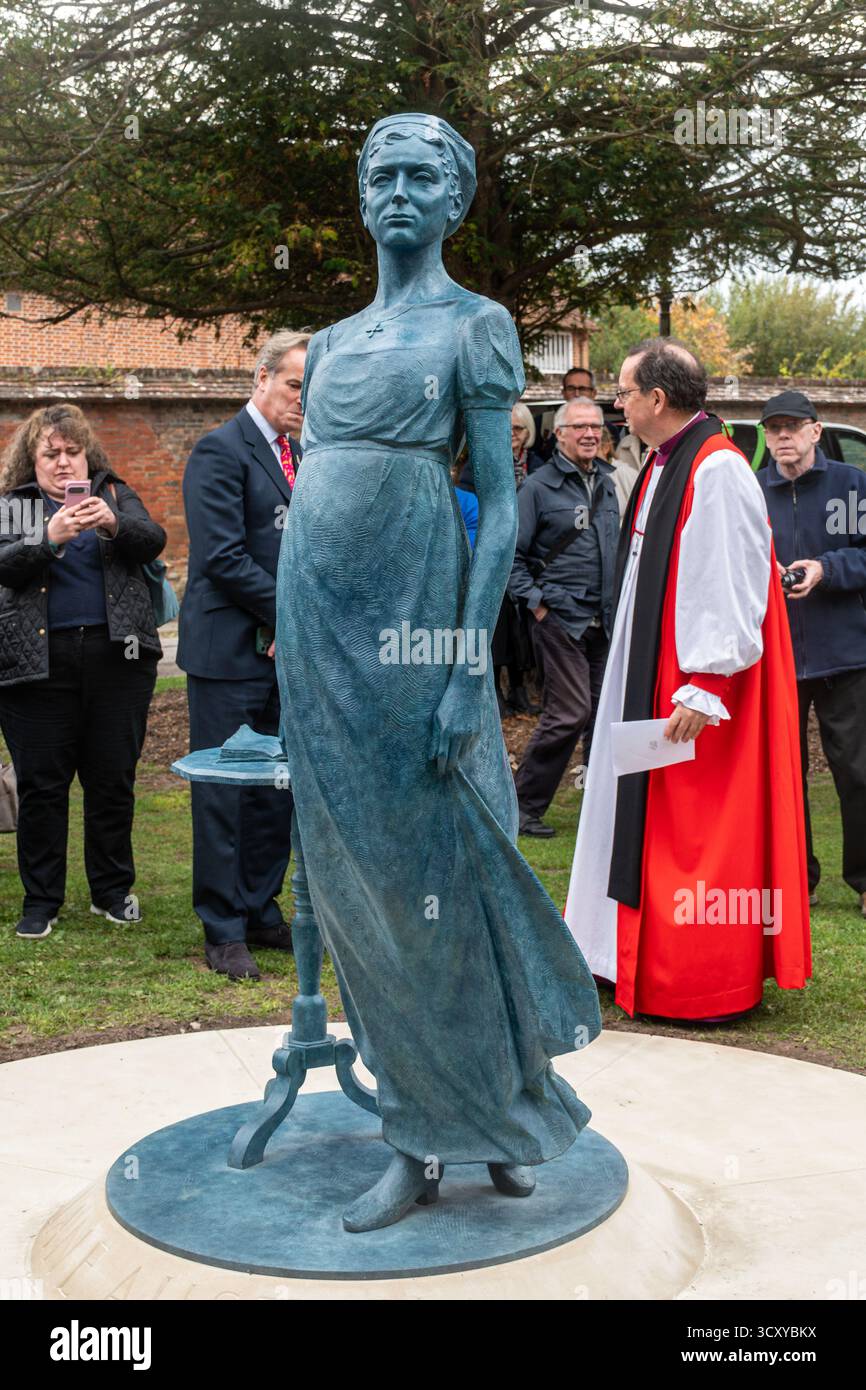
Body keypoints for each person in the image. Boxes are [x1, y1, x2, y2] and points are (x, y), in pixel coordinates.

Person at [277, 112, 600, 1234]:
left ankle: (482, 1110)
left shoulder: (477, 325)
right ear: (362, 197)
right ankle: (430, 1119)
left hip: (422, 624)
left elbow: (503, 509)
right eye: (383, 175)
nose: (400, 192)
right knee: (361, 881)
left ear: (453, 199)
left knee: (447, 867)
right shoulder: (326, 342)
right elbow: (317, 487)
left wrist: (467, 666)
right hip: (320, 631)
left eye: (423, 175)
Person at [564, 340, 811, 1021]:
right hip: (644, 662)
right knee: (627, 810)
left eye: (624, 392)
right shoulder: (667, 462)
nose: (617, 403)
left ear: (657, 400)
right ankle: (611, 953)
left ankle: (694, 977)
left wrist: (705, 683)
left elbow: (730, 579)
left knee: (690, 824)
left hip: (691, 678)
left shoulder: (718, 469)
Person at [0, 404, 165, 939]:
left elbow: (153, 539)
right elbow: (4, 564)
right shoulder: (19, 505)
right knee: (43, 786)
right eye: (52, 454)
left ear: (87, 454)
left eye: (73, 452)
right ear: (34, 459)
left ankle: (112, 892)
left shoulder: (111, 493)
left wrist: (114, 524)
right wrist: (49, 538)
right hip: (36, 663)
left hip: (118, 660)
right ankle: (41, 900)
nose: (64, 463)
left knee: (111, 780)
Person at [177, 329, 309, 981]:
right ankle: (223, 926)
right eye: (293, 384)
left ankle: (261, 910)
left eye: (311, 390)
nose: (301, 399)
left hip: (285, 658)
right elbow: (223, 557)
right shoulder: (218, 451)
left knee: (274, 791)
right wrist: (288, 614)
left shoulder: (301, 455)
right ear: (260, 379)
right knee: (226, 791)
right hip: (229, 653)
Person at [756, 390, 866, 918]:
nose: (782, 436)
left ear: (816, 431)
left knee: (857, 770)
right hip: (775, 656)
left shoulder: (852, 486)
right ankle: (798, 880)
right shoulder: (753, 492)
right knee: (784, 775)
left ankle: (865, 881)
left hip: (845, 653)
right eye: (773, 428)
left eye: (792, 426)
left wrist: (825, 569)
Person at [507, 398, 619, 836]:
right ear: (559, 434)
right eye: (580, 427)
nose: (590, 433)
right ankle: (520, 805)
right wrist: (536, 602)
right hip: (558, 618)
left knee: (604, 715)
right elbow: (509, 557)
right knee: (570, 711)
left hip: (604, 619)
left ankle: (601, 806)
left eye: (596, 427)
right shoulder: (537, 488)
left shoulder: (610, 482)